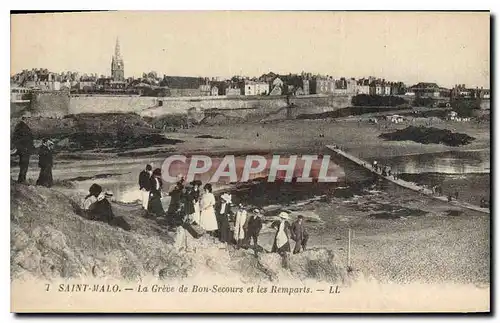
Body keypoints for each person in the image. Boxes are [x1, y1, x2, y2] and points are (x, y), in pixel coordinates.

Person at [13, 117, 34, 184]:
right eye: (27, 119)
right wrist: (22, 147)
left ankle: (22, 179)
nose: (28, 120)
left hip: (25, 149)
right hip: (24, 150)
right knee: (24, 165)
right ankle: (21, 180)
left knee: (24, 165)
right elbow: (16, 139)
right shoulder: (20, 126)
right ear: (24, 119)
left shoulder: (22, 126)